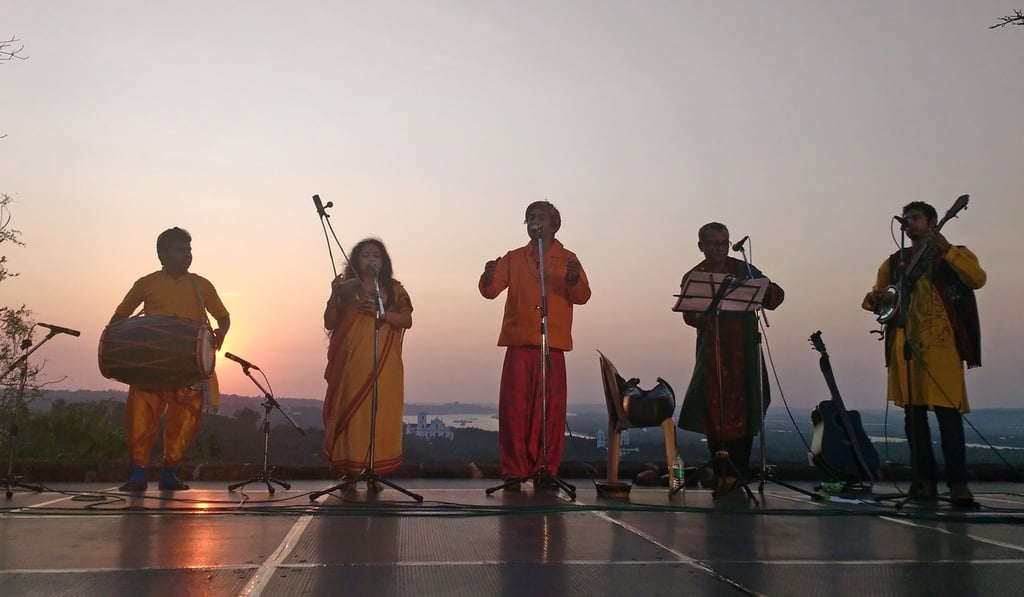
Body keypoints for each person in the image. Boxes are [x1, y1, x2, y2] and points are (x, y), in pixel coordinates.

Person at [862, 201, 985, 505]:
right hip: (906, 345)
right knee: (913, 418)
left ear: (932, 222)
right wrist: (874, 297)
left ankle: (958, 484)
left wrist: (946, 249)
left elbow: (977, 279)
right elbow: (874, 301)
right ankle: (923, 482)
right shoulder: (894, 263)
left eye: (916, 218)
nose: (909, 223)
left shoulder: (954, 253)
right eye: (906, 219)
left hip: (943, 347)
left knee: (949, 418)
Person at [478, 200, 591, 490]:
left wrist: (573, 280)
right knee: (514, 411)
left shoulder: (568, 258)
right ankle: (513, 471)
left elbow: (582, 296)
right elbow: (490, 292)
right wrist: (488, 276)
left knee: (550, 412)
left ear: (554, 224)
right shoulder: (514, 258)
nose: (534, 220)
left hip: (552, 346)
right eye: (530, 216)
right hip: (519, 344)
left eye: (541, 216)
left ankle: (545, 469)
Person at [109, 227, 230, 491]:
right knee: (140, 417)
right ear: (162, 255)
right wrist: (111, 340)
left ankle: (169, 473)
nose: (187, 255)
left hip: (189, 367)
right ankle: (139, 474)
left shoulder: (202, 285)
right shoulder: (146, 283)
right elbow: (120, 317)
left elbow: (223, 316)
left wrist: (221, 333)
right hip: (151, 365)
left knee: (184, 420)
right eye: (180, 249)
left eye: (189, 249)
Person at [676, 222, 784, 495]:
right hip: (713, 350)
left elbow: (775, 296)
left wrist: (763, 288)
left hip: (745, 349)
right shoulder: (694, 275)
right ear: (701, 246)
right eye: (713, 244)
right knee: (714, 407)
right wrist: (706, 312)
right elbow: (690, 316)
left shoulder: (742, 268)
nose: (720, 249)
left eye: (724, 243)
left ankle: (739, 471)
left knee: (747, 404)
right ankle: (721, 470)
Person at [322, 238, 412, 487]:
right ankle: (349, 471)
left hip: (385, 364)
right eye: (365, 255)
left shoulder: (393, 290)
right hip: (352, 363)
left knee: (379, 413)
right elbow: (330, 322)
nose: (371, 259)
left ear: (383, 262)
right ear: (356, 260)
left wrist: (383, 315)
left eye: (376, 255)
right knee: (353, 414)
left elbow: (407, 320)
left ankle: (376, 471)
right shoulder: (348, 288)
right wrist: (334, 294)